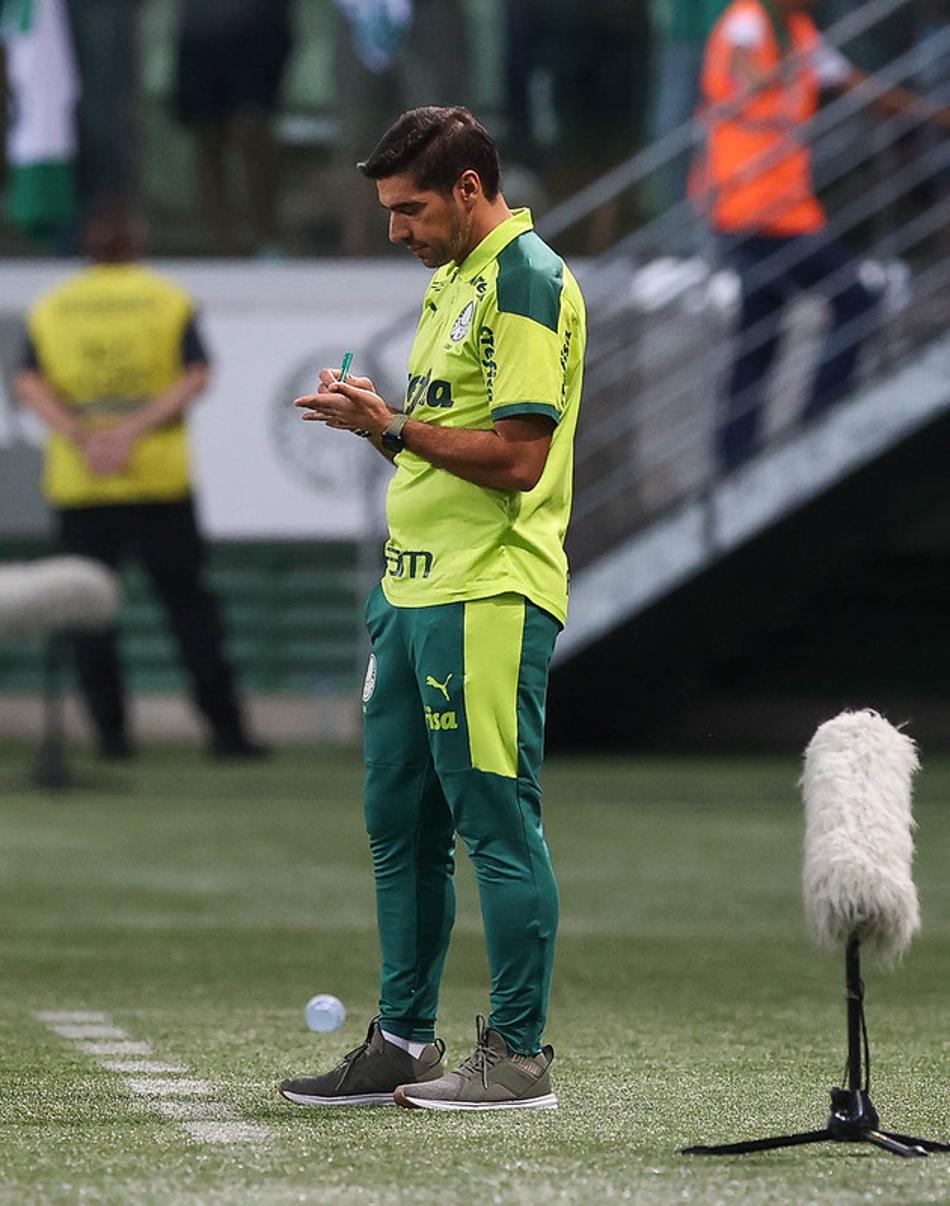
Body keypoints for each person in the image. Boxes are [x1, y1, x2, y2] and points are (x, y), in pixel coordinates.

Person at [279, 106, 586, 1111]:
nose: (395, 230)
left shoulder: (525, 278)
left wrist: (397, 427)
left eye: (409, 210)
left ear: (467, 188)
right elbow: (439, 442)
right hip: (411, 590)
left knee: (494, 818)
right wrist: (376, 426)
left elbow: (519, 458)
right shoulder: (455, 280)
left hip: (487, 592)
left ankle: (517, 1059)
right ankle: (404, 1042)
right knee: (397, 824)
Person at [15, 200, 265, 761]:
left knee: (86, 611)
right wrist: (130, 433)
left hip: (81, 482)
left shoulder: (54, 306)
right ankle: (226, 732)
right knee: (189, 607)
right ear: (136, 243)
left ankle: (111, 736)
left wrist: (85, 438)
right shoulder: (167, 298)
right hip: (157, 478)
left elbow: (28, 383)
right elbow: (195, 375)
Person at [696, 0, 950, 470]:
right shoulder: (750, 21)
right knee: (856, 300)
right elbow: (744, 66)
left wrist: (934, 116)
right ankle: (815, 420)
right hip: (755, 210)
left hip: (777, 210)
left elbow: (862, 89)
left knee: (760, 331)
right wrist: (783, 69)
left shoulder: (800, 34)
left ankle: (733, 459)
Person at [173, 0, 294, 255]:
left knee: (253, 129)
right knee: (207, 136)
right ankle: (219, 239)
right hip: (200, 30)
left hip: (260, 25)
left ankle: (266, 235)